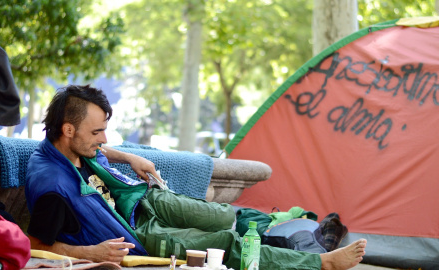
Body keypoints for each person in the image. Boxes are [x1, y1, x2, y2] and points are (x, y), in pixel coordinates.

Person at [25, 85, 367, 270]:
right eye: (97, 132)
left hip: (142, 202)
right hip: (138, 232)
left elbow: (97, 151)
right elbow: (37, 244)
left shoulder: (67, 145)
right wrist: (94, 254)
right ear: (68, 129)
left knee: (225, 215)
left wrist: (127, 156)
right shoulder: (53, 187)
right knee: (229, 244)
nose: (103, 140)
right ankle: (318, 261)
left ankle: (295, 237)